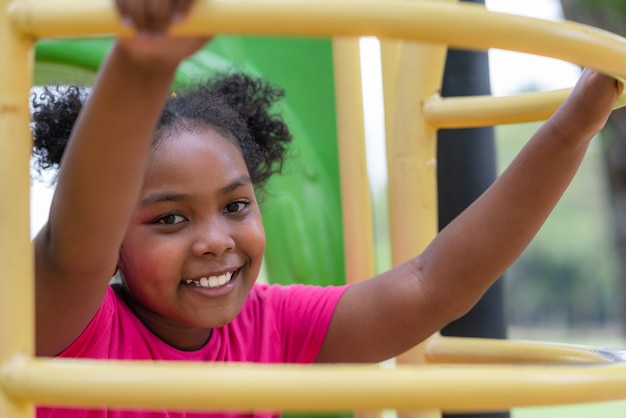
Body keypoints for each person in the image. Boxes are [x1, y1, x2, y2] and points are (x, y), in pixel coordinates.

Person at [31, 0, 622, 417]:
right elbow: (75, 243)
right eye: (169, 219)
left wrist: (578, 123)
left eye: (236, 205)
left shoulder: (268, 326)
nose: (215, 239)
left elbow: (429, 285)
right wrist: (144, 63)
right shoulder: (73, 322)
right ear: (113, 239)